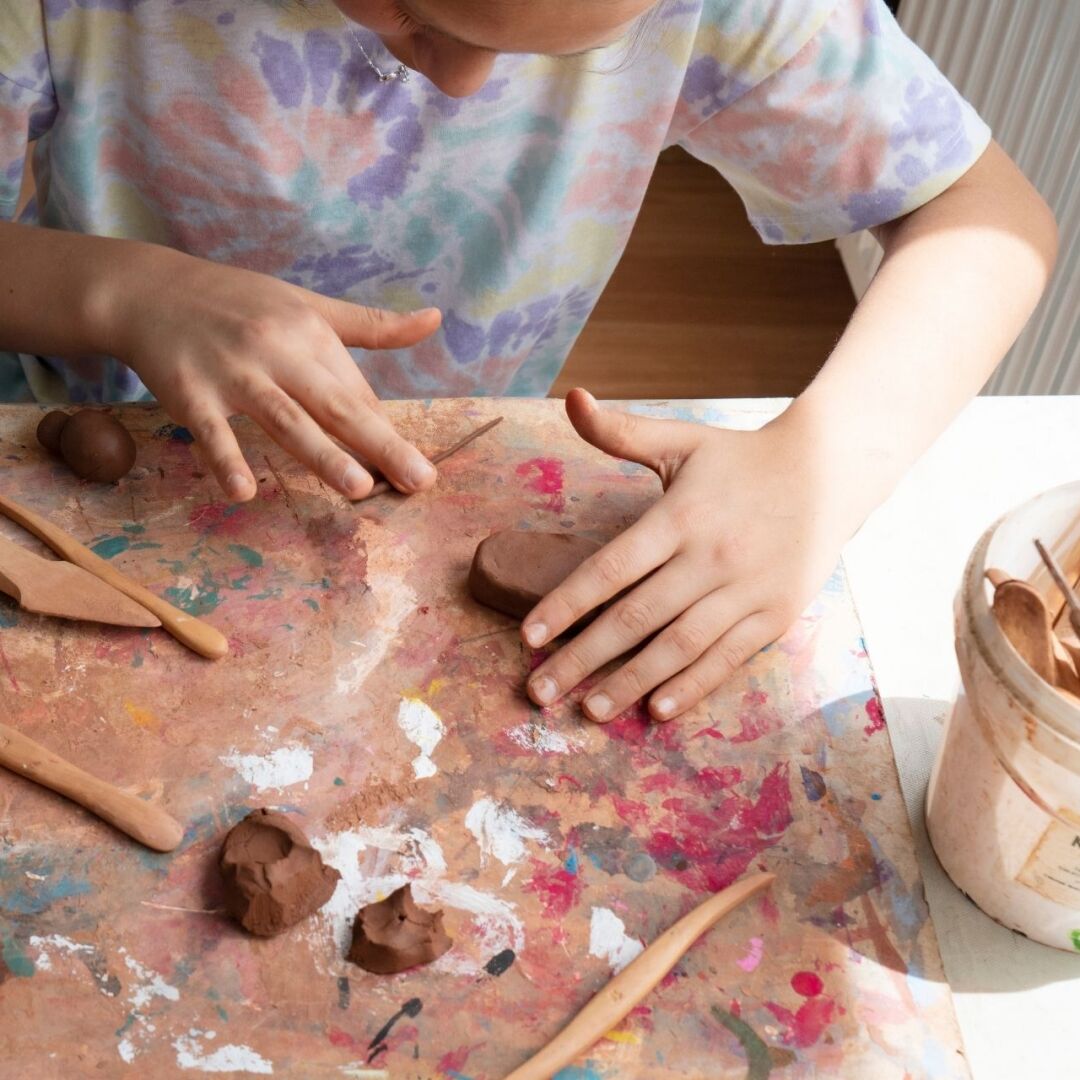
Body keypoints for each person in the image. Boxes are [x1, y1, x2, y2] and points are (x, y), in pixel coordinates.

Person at [0, 1, 1057, 722]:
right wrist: (120, 291)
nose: (458, 80)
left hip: (444, 474)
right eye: (413, 6)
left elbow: (984, 220)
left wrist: (821, 468)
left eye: (564, 45)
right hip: (78, 462)